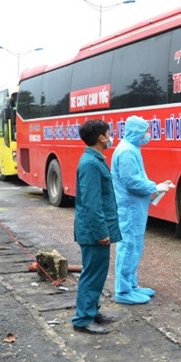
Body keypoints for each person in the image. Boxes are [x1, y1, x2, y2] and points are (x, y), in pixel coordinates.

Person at [111, 115, 172, 304]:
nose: (148, 134)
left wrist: (157, 185)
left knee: (134, 246)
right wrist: (155, 187)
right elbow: (131, 181)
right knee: (128, 246)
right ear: (136, 131)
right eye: (146, 130)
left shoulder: (132, 148)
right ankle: (122, 291)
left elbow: (137, 177)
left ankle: (131, 285)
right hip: (129, 208)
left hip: (135, 207)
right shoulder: (127, 151)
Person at [71, 119, 121, 335]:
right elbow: (92, 203)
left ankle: (92, 311)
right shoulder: (90, 163)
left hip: (95, 230)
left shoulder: (95, 160)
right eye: (109, 134)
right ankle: (83, 319)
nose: (111, 137)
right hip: (94, 232)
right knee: (92, 274)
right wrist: (101, 232)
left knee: (97, 273)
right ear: (101, 137)